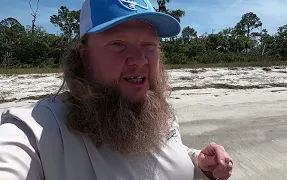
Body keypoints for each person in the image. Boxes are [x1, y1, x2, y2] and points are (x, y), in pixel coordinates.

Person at [0, 0, 233, 179]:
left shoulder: (157, 113)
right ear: (83, 54)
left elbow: (161, 157)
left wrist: (198, 164)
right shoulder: (36, 131)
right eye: (118, 44)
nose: (140, 59)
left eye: (149, 45)